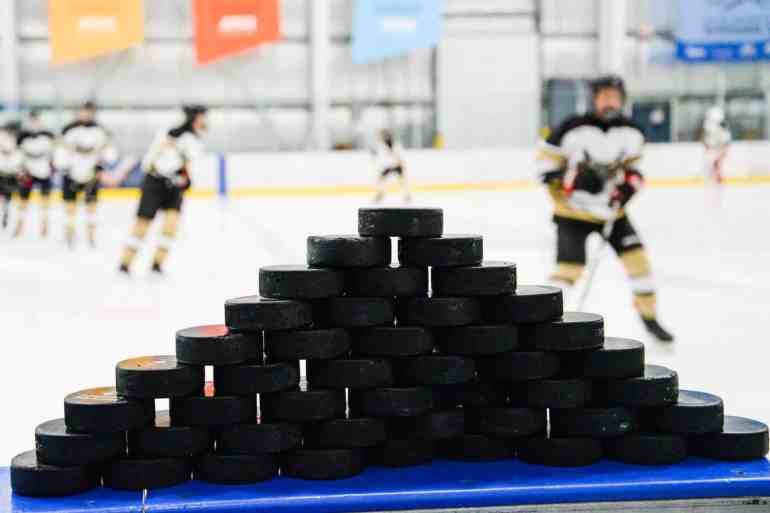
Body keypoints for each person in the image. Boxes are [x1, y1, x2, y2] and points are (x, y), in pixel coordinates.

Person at [537, 74, 674, 342]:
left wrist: (629, 188)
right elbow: (544, 170)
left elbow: (634, 170)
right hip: (572, 213)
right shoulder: (570, 128)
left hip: (612, 212)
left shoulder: (633, 132)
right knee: (568, 270)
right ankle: (543, 322)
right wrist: (574, 182)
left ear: (621, 100)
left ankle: (649, 318)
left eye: (614, 96)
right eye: (604, 96)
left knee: (638, 262)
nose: (609, 101)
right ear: (594, 99)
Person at [118, 105, 207, 275]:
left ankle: (157, 264)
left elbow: (187, 164)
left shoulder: (194, 139)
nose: (205, 121)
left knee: (170, 226)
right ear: (195, 118)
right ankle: (125, 262)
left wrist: (185, 178)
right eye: (202, 117)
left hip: (174, 186)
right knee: (142, 225)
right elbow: (152, 158)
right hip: (155, 182)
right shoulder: (169, 133)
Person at [57, 101, 117, 247]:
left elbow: (109, 154)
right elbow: (60, 152)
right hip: (71, 174)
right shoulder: (68, 130)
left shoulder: (100, 131)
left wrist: (101, 165)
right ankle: (69, 235)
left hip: (91, 175)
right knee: (70, 207)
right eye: (83, 111)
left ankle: (91, 236)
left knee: (92, 207)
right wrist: (64, 165)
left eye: (89, 112)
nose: (85, 114)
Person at [14, 110, 56, 238]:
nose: (34, 123)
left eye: (35, 120)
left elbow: (53, 152)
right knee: (23, 200)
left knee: (45, 200)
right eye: (31, 120)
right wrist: (21, 170)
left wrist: (52, 166)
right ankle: (19, 226)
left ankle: (45, 225)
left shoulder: (48, 135)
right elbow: (18, 153)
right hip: (28, 172)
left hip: (44, 171)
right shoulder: (22, 136)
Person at [371, 129, 411, 203]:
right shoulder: (382, 145)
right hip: (388, 165)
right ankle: (380, 193)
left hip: (396, 164)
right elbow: (381, 155)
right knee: (381, 180)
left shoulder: (395, 144)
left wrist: (401, 163)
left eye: (382, 135)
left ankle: (407, 195)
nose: (381, 137)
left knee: (402, 181)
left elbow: (399, 153)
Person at [0, 121, 22, 229]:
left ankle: (6, 212)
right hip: (3, 172)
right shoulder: (3, 137)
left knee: (7, 197)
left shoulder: (15, 140)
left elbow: (17, 157)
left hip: (9, 174)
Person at [700, 106, 730, 184]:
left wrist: (724, 149)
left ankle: (716, 176)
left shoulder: (723, 131)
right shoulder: (710, 127)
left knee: (715, 162)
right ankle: (714, 176)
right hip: (712, 147)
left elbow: (725, 140)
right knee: (712, 162)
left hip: (716, 147)